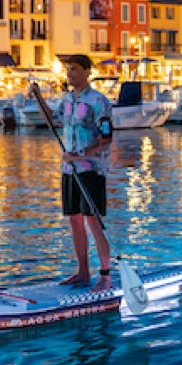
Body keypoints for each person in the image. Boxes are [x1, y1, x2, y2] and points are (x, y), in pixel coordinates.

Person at [33, 54, 114, 292]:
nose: (70, 74)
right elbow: (53, 120)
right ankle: (82, 271)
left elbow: (107, 137)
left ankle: (106, 275)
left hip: (90, 170)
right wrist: (38, 98)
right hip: (69, 171)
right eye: (68, 70)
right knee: (75, 221)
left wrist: (80, 154)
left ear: (87, 72)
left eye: (75, 69)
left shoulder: (98, 102)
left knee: (93, 221)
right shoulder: (67, 100)